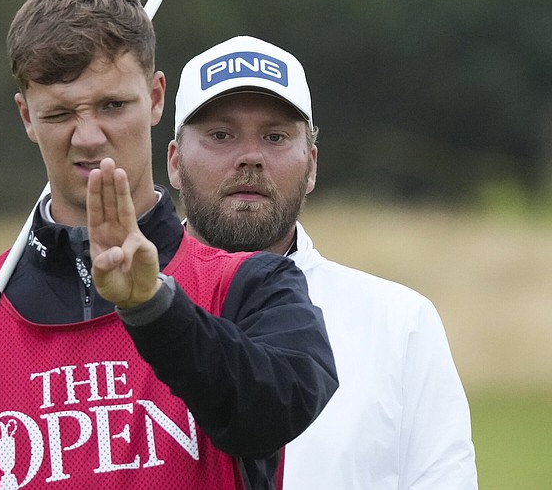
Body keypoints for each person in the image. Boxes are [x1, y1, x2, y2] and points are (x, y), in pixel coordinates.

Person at [0, 0, 338, 490]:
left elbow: (277, 410)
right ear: (26, 117)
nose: (87, 136)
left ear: (154, 99)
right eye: (60, 113)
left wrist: (154, 309)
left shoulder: (251, 284)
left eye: (111, 106)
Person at [167, 35, 478, 489]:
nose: (250, 157)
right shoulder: (124, 314)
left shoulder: (400, 322)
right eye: (221, 135)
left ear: (311, 165)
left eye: (275, 137)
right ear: (175, 162)